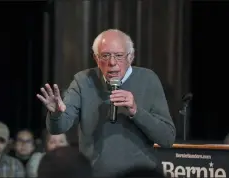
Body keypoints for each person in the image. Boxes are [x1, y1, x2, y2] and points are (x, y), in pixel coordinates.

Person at [37, 29, 176, 178]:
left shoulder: (148, 80)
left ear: (130, 57)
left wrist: (136, 111)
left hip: (138, 174)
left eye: (118, 56)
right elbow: (58, 128)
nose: (112, 62)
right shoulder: (83, 81)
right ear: (96, 58)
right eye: (105, 56)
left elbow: (167, 138)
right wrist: (56, 114)